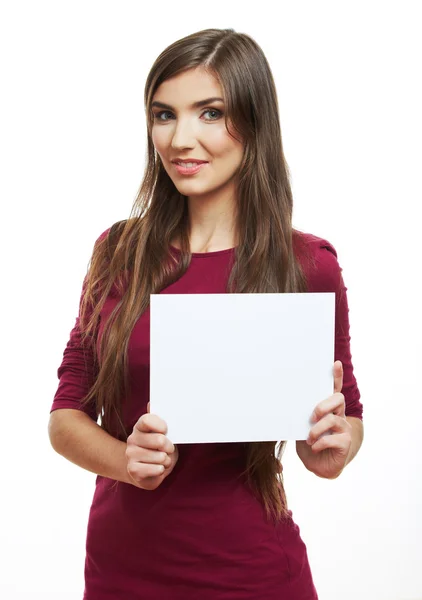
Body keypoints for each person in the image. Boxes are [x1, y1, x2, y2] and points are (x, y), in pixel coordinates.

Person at [48, 27, 364, 600]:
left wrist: (330, 447)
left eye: (210, 113)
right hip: (123, 571)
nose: (180, 139)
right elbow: (67, 413)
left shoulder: (306, 264)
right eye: (164, 114)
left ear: (254, 122)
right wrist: (124, 460)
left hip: (254, 572)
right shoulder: (119, 253)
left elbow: (344, 423)